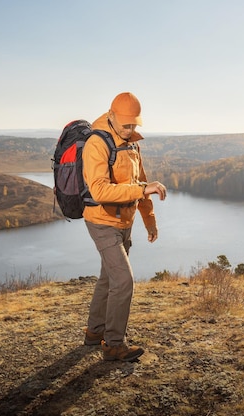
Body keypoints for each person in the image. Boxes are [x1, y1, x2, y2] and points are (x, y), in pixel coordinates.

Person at [82, 92, 167, 361]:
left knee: (109, 278)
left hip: (124, 221)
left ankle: (94, 332)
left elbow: (140, 185)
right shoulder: (97, 143)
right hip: (101, 221)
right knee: (123, 281)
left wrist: (149, 221)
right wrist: (143, 188)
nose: (131, 130)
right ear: (112, 115)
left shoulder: (132, 145)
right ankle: (114, 344)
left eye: (134, 125)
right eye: (126, 125)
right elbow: (98, 190)